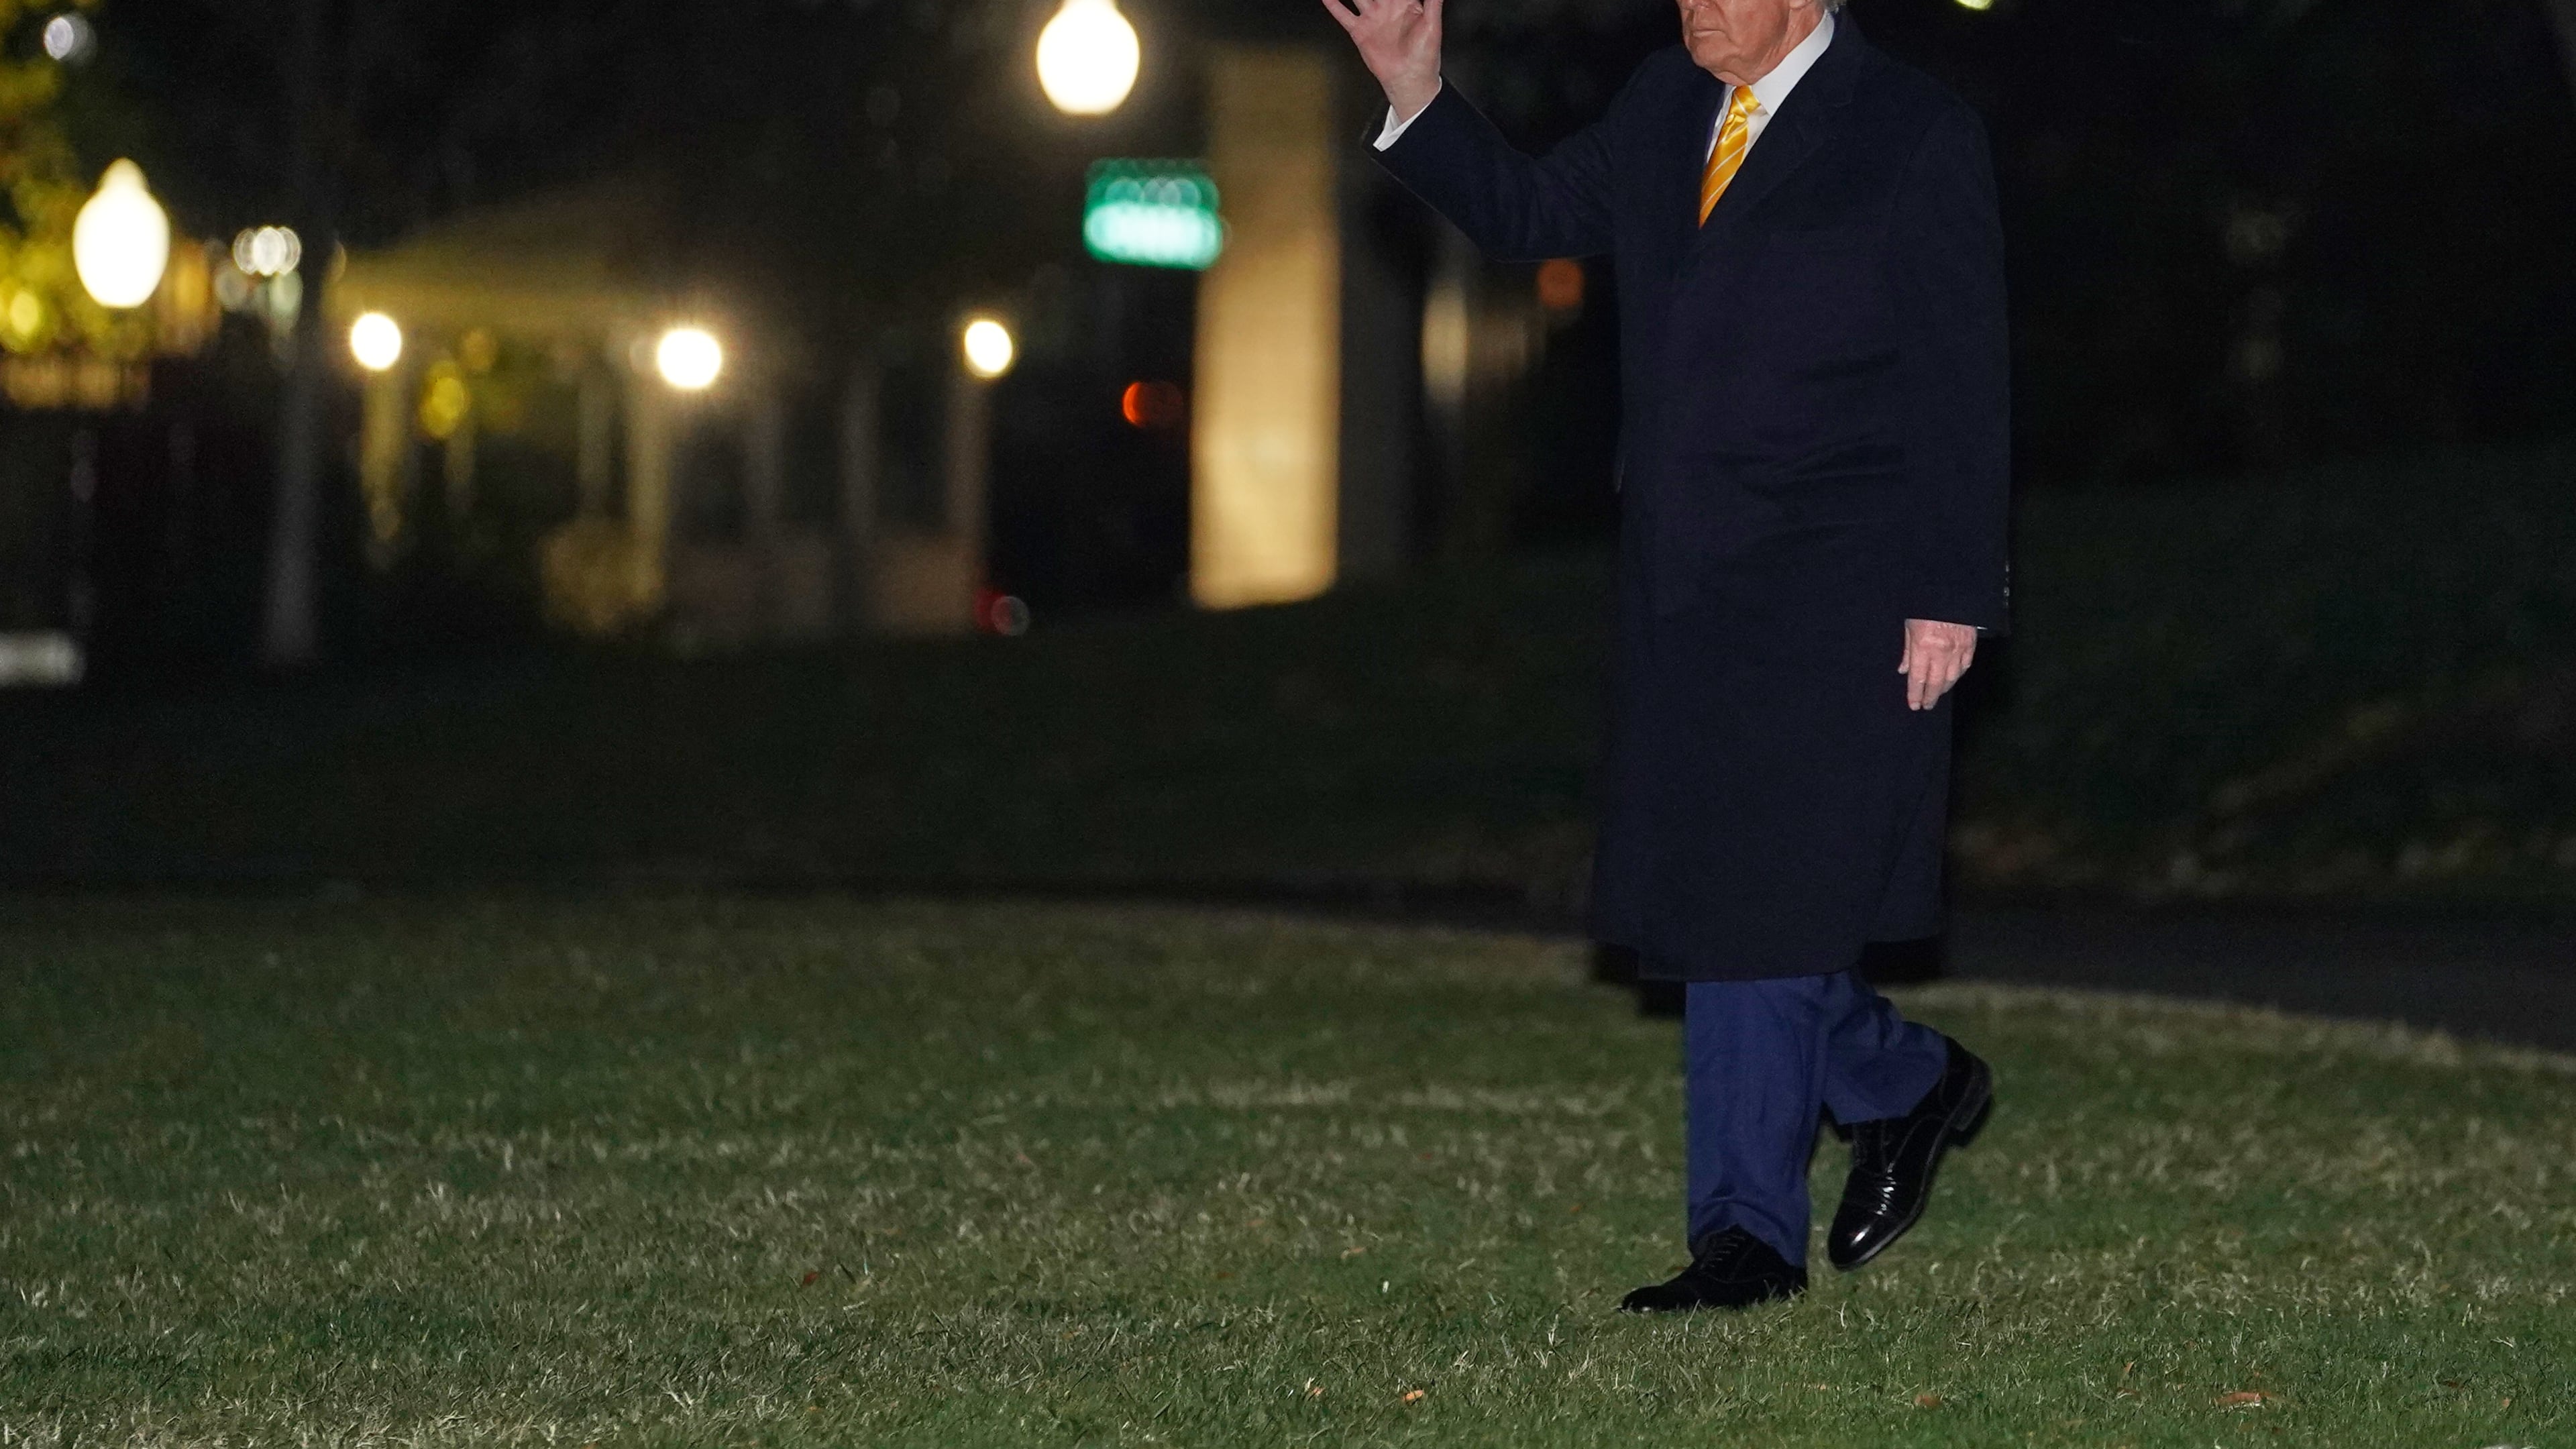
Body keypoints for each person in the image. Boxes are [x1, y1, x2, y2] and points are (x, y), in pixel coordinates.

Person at [1322, 0, 2009, 1311]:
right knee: (1729, 887)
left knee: (1759, 893)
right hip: (1688, 578)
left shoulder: (1915, 132)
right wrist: (1417, 88)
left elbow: (1965, 376)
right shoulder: (1660, 106)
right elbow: (1528, 215)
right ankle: (1907, 1082)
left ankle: (1745, 1239)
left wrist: (1952, 591)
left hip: (1845, 575)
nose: (1691, 0)